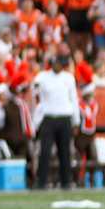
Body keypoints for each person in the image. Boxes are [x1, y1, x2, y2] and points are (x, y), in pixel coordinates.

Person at [31, 54, 79, 190]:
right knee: (45, 151)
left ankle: (66, 181)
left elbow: (74, 99)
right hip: (49, 117)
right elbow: (34, 90)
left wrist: (76, 120)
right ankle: (41, 181)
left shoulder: (68, 78)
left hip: (65, 117)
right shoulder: (43, 77)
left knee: (65, 152)